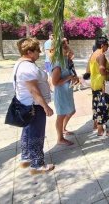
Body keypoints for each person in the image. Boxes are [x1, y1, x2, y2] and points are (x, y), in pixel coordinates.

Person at [13, 37, 55, 174]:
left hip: (26, 104)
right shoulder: (27, 67)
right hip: (34, 106)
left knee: (28, 131)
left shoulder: (21, 64)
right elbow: (34, 91)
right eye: (37, 50)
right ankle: (37, 164)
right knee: (37, 133)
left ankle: (26, 157)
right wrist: (45, 106)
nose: (39, 53)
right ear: (29, 52)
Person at [51, 39, 78, 146]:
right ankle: (60, 138)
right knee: (61, 115)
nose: (67, 47)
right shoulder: (58, 63)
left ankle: (63, 129)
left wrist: (73, 78)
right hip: (61, 93)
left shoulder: (66, 61)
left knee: (71, 111)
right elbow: (55, 82)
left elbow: (71, 71)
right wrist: (68, 78)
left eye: (67, 45)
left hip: (67, 91)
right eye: (64, 46)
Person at [90, 37, 109, 137]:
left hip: (95, 84)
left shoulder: (93, 55)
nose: (107, 47)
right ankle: (100, 130)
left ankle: (95, 125)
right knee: (102, 107)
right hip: (102, 85)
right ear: (103, 45)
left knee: (96, 105)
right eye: (107, 45)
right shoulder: (101, 55)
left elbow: (88, 70)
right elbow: (102, 70)